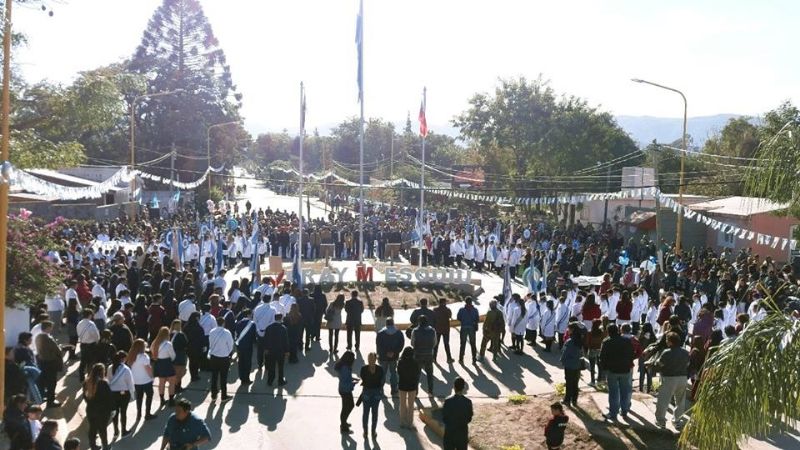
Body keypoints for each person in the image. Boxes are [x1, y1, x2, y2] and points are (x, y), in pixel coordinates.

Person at [599, 324, 635, 422]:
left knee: (614, 392)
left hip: (612, 370)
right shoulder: (627, 341)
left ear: (608, 331)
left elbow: (602, 357)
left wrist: (605, 369)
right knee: (625, 391)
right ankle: (624, 410)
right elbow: (632, 353)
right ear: (618, 330)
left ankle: (613, 413)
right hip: (625, 369)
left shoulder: (606, 342)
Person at [654, 332, 690, 429]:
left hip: (669, 378)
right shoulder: (685, 352)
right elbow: (687, 364)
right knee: (680, 401)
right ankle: (677, 421)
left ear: (670, 342)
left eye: (667, 340)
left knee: (663, 400)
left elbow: (660, 364)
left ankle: (661, 420)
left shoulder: (666, 352)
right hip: (683, 378)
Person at [83, 363, 113, 450]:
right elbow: (109, 398)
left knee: (92, 428)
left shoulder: (86, 382)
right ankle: (105, 446)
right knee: (102, 430)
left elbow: (85, 397)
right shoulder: (104, 383)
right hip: (102, 411)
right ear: (102, 372)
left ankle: (93, 446)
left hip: (91, 410)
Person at [126, 339, 157, 421]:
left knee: (139, 398)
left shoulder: (131, 356)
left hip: (136, 381)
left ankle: (139, 414)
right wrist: (152, 377)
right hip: (146, 381)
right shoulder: (144, 357)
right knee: (149, 396)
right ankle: (147, 414)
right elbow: (148, 369)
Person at [34, 321, 64, 408]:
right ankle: (51, 402)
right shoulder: (48, 338)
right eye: (51, 327)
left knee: (43, 382)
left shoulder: (38, 337)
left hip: (41, 362)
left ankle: (42, 398)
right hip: (50, 363)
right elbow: (57, 350)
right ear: (48, 328)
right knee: (52, 383)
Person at [108, 350, 135, 438]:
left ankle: (116, 431)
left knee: (115, 413)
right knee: (123, 413)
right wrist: (132, 395)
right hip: (124, 394)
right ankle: (124, 431)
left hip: (112, 394)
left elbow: (109, 380)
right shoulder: (126, 369)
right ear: (123, 359)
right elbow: (130, 383)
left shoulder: (110, 368)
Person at [207, 316, 234, 401]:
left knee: (214, 376)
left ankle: (214, 395)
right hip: (224, 358)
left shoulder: (212, 331)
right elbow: (230, 345)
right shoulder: (227, 332)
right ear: (223, 323)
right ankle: (224, 396)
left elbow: (210, 344)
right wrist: (227, 353)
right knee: (223, 377)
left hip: (214, 357)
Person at [375, 317, 404, 395]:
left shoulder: (381, 333)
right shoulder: (398, 333)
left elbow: (379, 345)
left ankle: (380, 388)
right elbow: (401, 344)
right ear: (393, 323)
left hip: (383, 357)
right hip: (394, 357)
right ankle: (394, 389)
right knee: (393, 373)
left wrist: (384, 353)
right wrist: (394, 352)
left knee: (382, 373)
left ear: (386, 323)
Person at [442, 377, 473, 450]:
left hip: (450, 433)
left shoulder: (448, 402)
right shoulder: (468, 402)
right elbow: (469, 418)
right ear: (463, 388)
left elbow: (444, 417)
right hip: (462, 433)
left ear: (454, 387)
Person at [359, 352, 385, 439]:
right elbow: (382, 380)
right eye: (369, 359)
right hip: (374, 392)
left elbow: (363, 378)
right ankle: (370, 432)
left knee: (369, 414)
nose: (370, 361)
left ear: (375, 359)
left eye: (372, 359)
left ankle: (368, 432)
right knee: (371, 414)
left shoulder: (364, 369)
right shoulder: (380, 369)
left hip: (368, 392)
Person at [151, 326, 177, 407]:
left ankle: (162, 399)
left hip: (159, 363)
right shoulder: (168, 344)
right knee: (171, 382)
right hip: (167, 363)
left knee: (161, 382)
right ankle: (171, 400)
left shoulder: (154, 343)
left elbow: (152, 352)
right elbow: (173, 355)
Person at [411, 315, 436, 395]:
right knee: (430, 374)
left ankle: (415, 393)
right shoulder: (432, 330)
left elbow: (412, 343)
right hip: (428, 354)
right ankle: (430, 391)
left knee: (416, 375)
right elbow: (435, 342)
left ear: (419, 322)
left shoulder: (415, 331)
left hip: (418, 354)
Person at [559, 323, 583, 407]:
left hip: (569, 365)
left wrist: (562, 360)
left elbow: (565, 352)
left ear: (572, 330)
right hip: (577, 364)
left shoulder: (569, 341)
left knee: (569, 383)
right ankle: (574, 400)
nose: (567, 330)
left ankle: (567, 400)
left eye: (568, 329)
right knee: (575, 383)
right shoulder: (579, 340)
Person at [334, 351, 359, 434]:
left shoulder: (344, 366)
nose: (354, 359)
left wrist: (353, 379)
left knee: (347, 406)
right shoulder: (345, 368)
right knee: (347, 407)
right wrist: (353, 384)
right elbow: (346, 382)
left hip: (344, 389)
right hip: (345, 390)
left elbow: (346, 377)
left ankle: (344, 422)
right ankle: (343, 426)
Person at [397, 347, 420, 429]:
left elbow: (399, 373)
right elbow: (417, 374)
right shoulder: (415, 362)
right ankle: (410, 423)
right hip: (412, 386)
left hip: (402, 385)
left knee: (402, 404)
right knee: (411, 405)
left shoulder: (400, 362)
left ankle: (402, 422)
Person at [264, 313, 289, 386]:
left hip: (271, 351)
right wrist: (287, 351)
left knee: (271, 366)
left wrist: (266, 349)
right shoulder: (283, 328)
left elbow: (266, 339)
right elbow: (286, 341)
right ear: (281, 319)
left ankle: (270, 380)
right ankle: (280, 380)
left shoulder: (269, 327)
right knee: (280, 367)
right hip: (280, 351)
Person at [77, 308, 101, 381]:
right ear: (90, 315)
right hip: (91, 345)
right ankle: (90, 377)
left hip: (83, 344)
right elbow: (96, 335)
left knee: (83, 361)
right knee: (91, 362)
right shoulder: (91, 324)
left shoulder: (79, 323)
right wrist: (97, 341)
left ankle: (81, 377)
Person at [235, 308, 257, 384]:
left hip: (240, 345)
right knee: (247, 362)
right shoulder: (252, 324)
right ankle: (246, 378)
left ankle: (241, 377)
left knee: (241, 362)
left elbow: (236, 334)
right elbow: (254, 336)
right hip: (248, 346)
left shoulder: (238, 323)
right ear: (248, 315)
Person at [183, 312, 206, 383]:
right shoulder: (199, 327)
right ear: (196, 318)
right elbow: (202, 338)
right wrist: (204, 346)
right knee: (196, 362)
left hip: (189, 347)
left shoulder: (186, 326)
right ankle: (195, 375)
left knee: (191, 362)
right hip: (197, 347)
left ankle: (193, 375)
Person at [456, 297, 479, 364]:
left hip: (464, 327)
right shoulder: (475, 310)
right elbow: (477, 319)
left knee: (463, 344)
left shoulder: (461, 310)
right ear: (471, 302)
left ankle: (461, 359)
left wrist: (464, 320)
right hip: (472, 328)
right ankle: (474, 359)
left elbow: (458, 317)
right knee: (473, 344)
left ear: (465, 302)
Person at [169, 320, 188, 393]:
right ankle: (178, 387)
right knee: (180, 373)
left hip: (172, 355)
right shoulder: (181, 335)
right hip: (180, 356)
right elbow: (186, 344)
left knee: (174, 373)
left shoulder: (170, 334)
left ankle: (173, 386)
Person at [584, 319, 604, 387]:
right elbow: (602, 340)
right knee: (599, 365)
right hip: (599, 349)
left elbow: (587, 342)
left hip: (592, 350)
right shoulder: (601, 332)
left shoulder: (590, 332)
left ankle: (592, 381)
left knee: (592, 367)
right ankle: (599, 379)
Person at [433, 298, 454, 363]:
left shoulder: (435, 310)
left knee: (436, 344)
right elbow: (450, 316)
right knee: (446, 344)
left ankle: (434, 358)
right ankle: (449, 358)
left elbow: (433, 318)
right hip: (446, 329)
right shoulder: (448, 310)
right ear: (444, 303)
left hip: (437, 329)